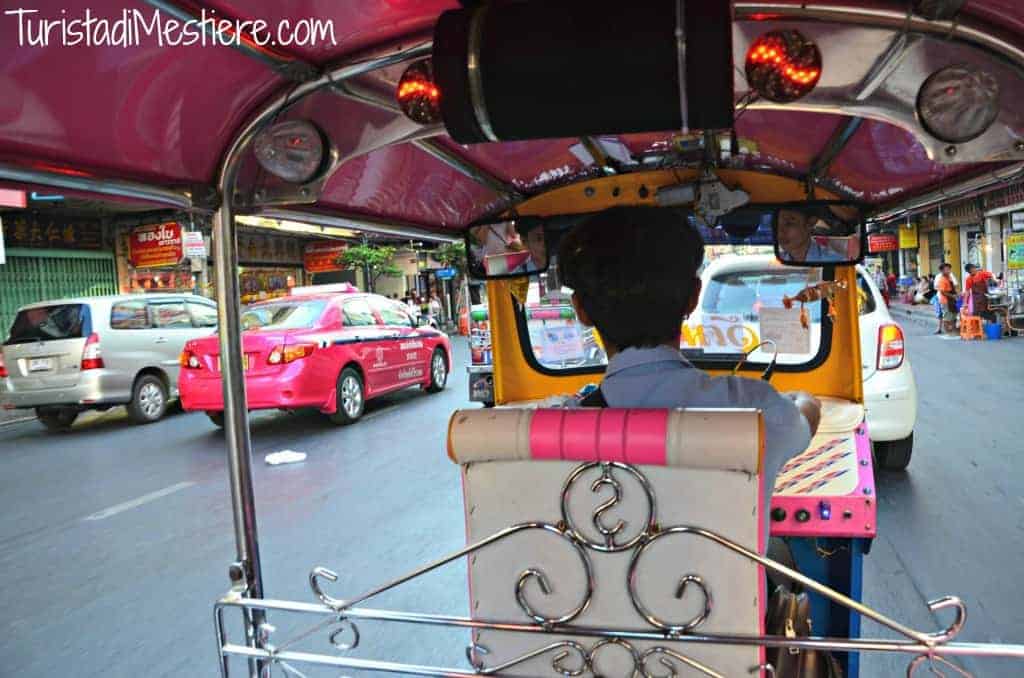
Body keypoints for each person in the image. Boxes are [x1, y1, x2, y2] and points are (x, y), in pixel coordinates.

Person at [558, 206, 822, 543]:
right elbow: (805, 419)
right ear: (694, 298)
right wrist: (803, 399)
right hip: (731, 596)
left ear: (580, 310)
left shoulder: (554, 428)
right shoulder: (757, 410)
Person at [776, 208, 846, 263]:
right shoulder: (779, 259)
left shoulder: (835, 260)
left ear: (810, 223)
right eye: (775, 224)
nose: (780, 232)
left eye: (789, 223)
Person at [935, 262, 958, 334]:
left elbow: (954, 286)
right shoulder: (942, 279)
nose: (948, 271)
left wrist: (957, 294)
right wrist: (952, 296)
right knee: (947, 317)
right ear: (941, 271)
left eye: (949, 269)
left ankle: (953, 330)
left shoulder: (950, 277)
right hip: (945, 300)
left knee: (954, 316)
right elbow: (943, 292)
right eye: (946, 269)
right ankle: (948, 332)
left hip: (952, 299)